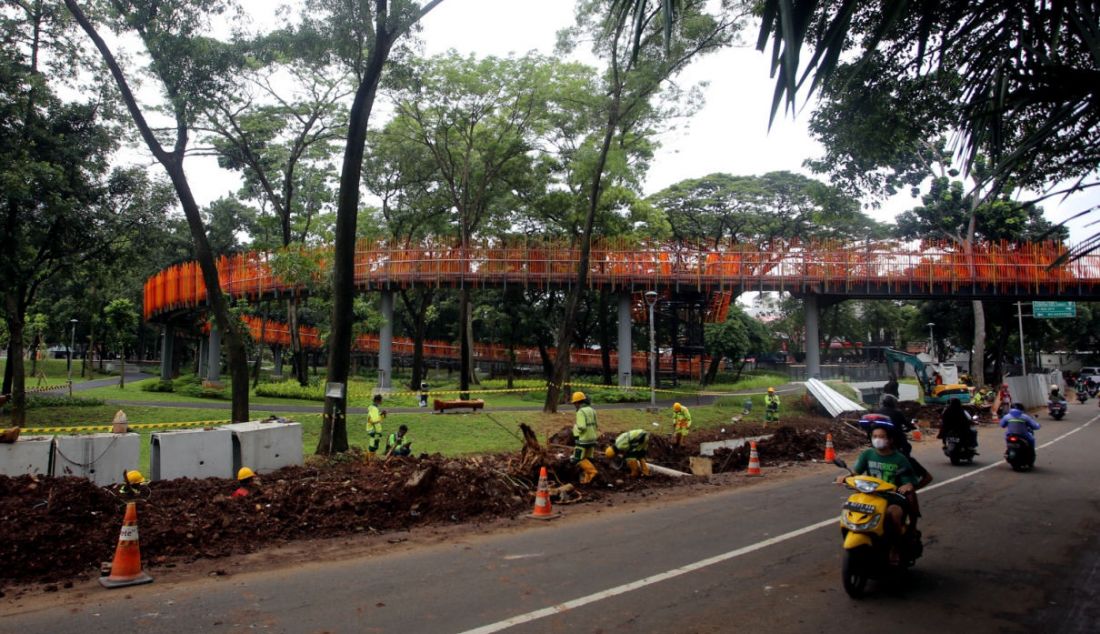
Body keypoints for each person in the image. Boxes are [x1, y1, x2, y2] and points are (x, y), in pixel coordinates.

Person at [835, 422, 918, 566]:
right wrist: (845, 477)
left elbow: (908, 481)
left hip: (892, 497)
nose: (878, 439)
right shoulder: (867, 454)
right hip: (869, 494)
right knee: (849, 507)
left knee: (895, 513)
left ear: (890, 439)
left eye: (882, 436)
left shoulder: (899, 459)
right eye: (875, 436)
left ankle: (895, 547)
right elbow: (856, 473)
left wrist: (906, 485)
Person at [876, 394, 933, 490]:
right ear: (892, 403)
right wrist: (913, 426)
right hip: (896, 439)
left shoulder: (877, 412)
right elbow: (907, 424)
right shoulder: (897, 412)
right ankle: (920, 474)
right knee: (906, 454)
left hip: (881, 440)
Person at [571, 391, 599, 484]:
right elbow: (596, 425)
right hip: (593, 438)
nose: (574, 405)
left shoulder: (580, 412)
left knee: (578, 459)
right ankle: (587, 480)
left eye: (574, 403)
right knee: (588, 458)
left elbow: (582, 427)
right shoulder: (592, 410)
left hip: (583, 439)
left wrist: (575, 428)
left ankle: (592, 472)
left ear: (578, 402)